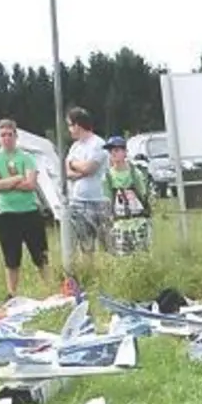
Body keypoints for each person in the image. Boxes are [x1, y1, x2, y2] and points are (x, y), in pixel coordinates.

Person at [0, 118, 48, 298]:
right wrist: (17, 179)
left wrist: (5, 183)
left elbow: (30, 184)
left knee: (40, 254)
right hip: (7, 213)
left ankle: (48, 288)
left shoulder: (26, 157)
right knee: (11, 257)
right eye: (3, 135)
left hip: (29, 211)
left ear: (16, 136)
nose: (6, 138)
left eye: (10, 135)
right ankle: (12, 293)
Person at [62, 107, 110, 281]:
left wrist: (76, 165)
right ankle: (89, 277)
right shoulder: (75, 147)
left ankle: (110, 275)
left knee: (107, 242)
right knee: (85, 244)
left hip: (100, 200)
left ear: (78, 125)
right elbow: (67, 171)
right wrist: (78, 168)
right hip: (79, 202)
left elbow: (90, 168)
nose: (69, 129)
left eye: (70, 125)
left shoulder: (98, 144)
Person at [103, 136, 154, 256]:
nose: (113, 154)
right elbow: (108, 199)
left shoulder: (135, 173)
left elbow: (143, 193)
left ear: (125, 152)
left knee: (142, 253)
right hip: (120, 222)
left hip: (139, 220)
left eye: (116, 150)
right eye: (110, 151)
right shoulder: (107, 176)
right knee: (122, 255)